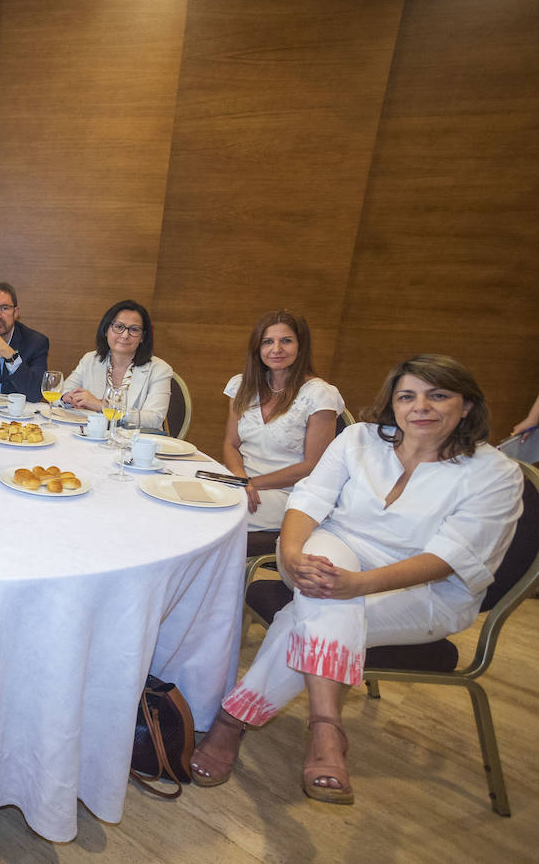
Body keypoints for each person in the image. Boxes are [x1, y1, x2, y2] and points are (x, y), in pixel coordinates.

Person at [189, 355, 522, 805]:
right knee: (326, 583)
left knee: (309, 611)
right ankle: (326, 731)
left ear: (466, 406)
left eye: (438, 394)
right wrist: (289, 554)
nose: (420, 406)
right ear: (393, 403)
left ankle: (236, 719)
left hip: (429, 591)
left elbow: (449, 559)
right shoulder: (361, 439)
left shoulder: (494, 472)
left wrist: (357, 585)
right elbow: (309, 499)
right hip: (339, 548)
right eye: (407, 396)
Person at [222, 309, 343, 531]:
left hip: (289, 494)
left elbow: (313, 466)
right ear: (257, 348)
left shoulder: (320, 394)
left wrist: (251, 484)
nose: (276, 349)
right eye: (268, 341)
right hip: (242, 483)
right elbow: (231, 444)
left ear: (301, 346)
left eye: (286, 341)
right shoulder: (242, 385)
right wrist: (240, 479)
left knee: (212, 516)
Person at [59, 299, 172, 429]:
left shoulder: (160, 369)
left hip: (134, 443)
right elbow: (62, 392)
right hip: (93, 437)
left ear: (142, 337)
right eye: (119, 327)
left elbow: (154, 419)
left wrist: (102, 406)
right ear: (106, 330)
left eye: (134, 330)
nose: (125, 335)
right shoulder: (90, 360)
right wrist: (67, 398)